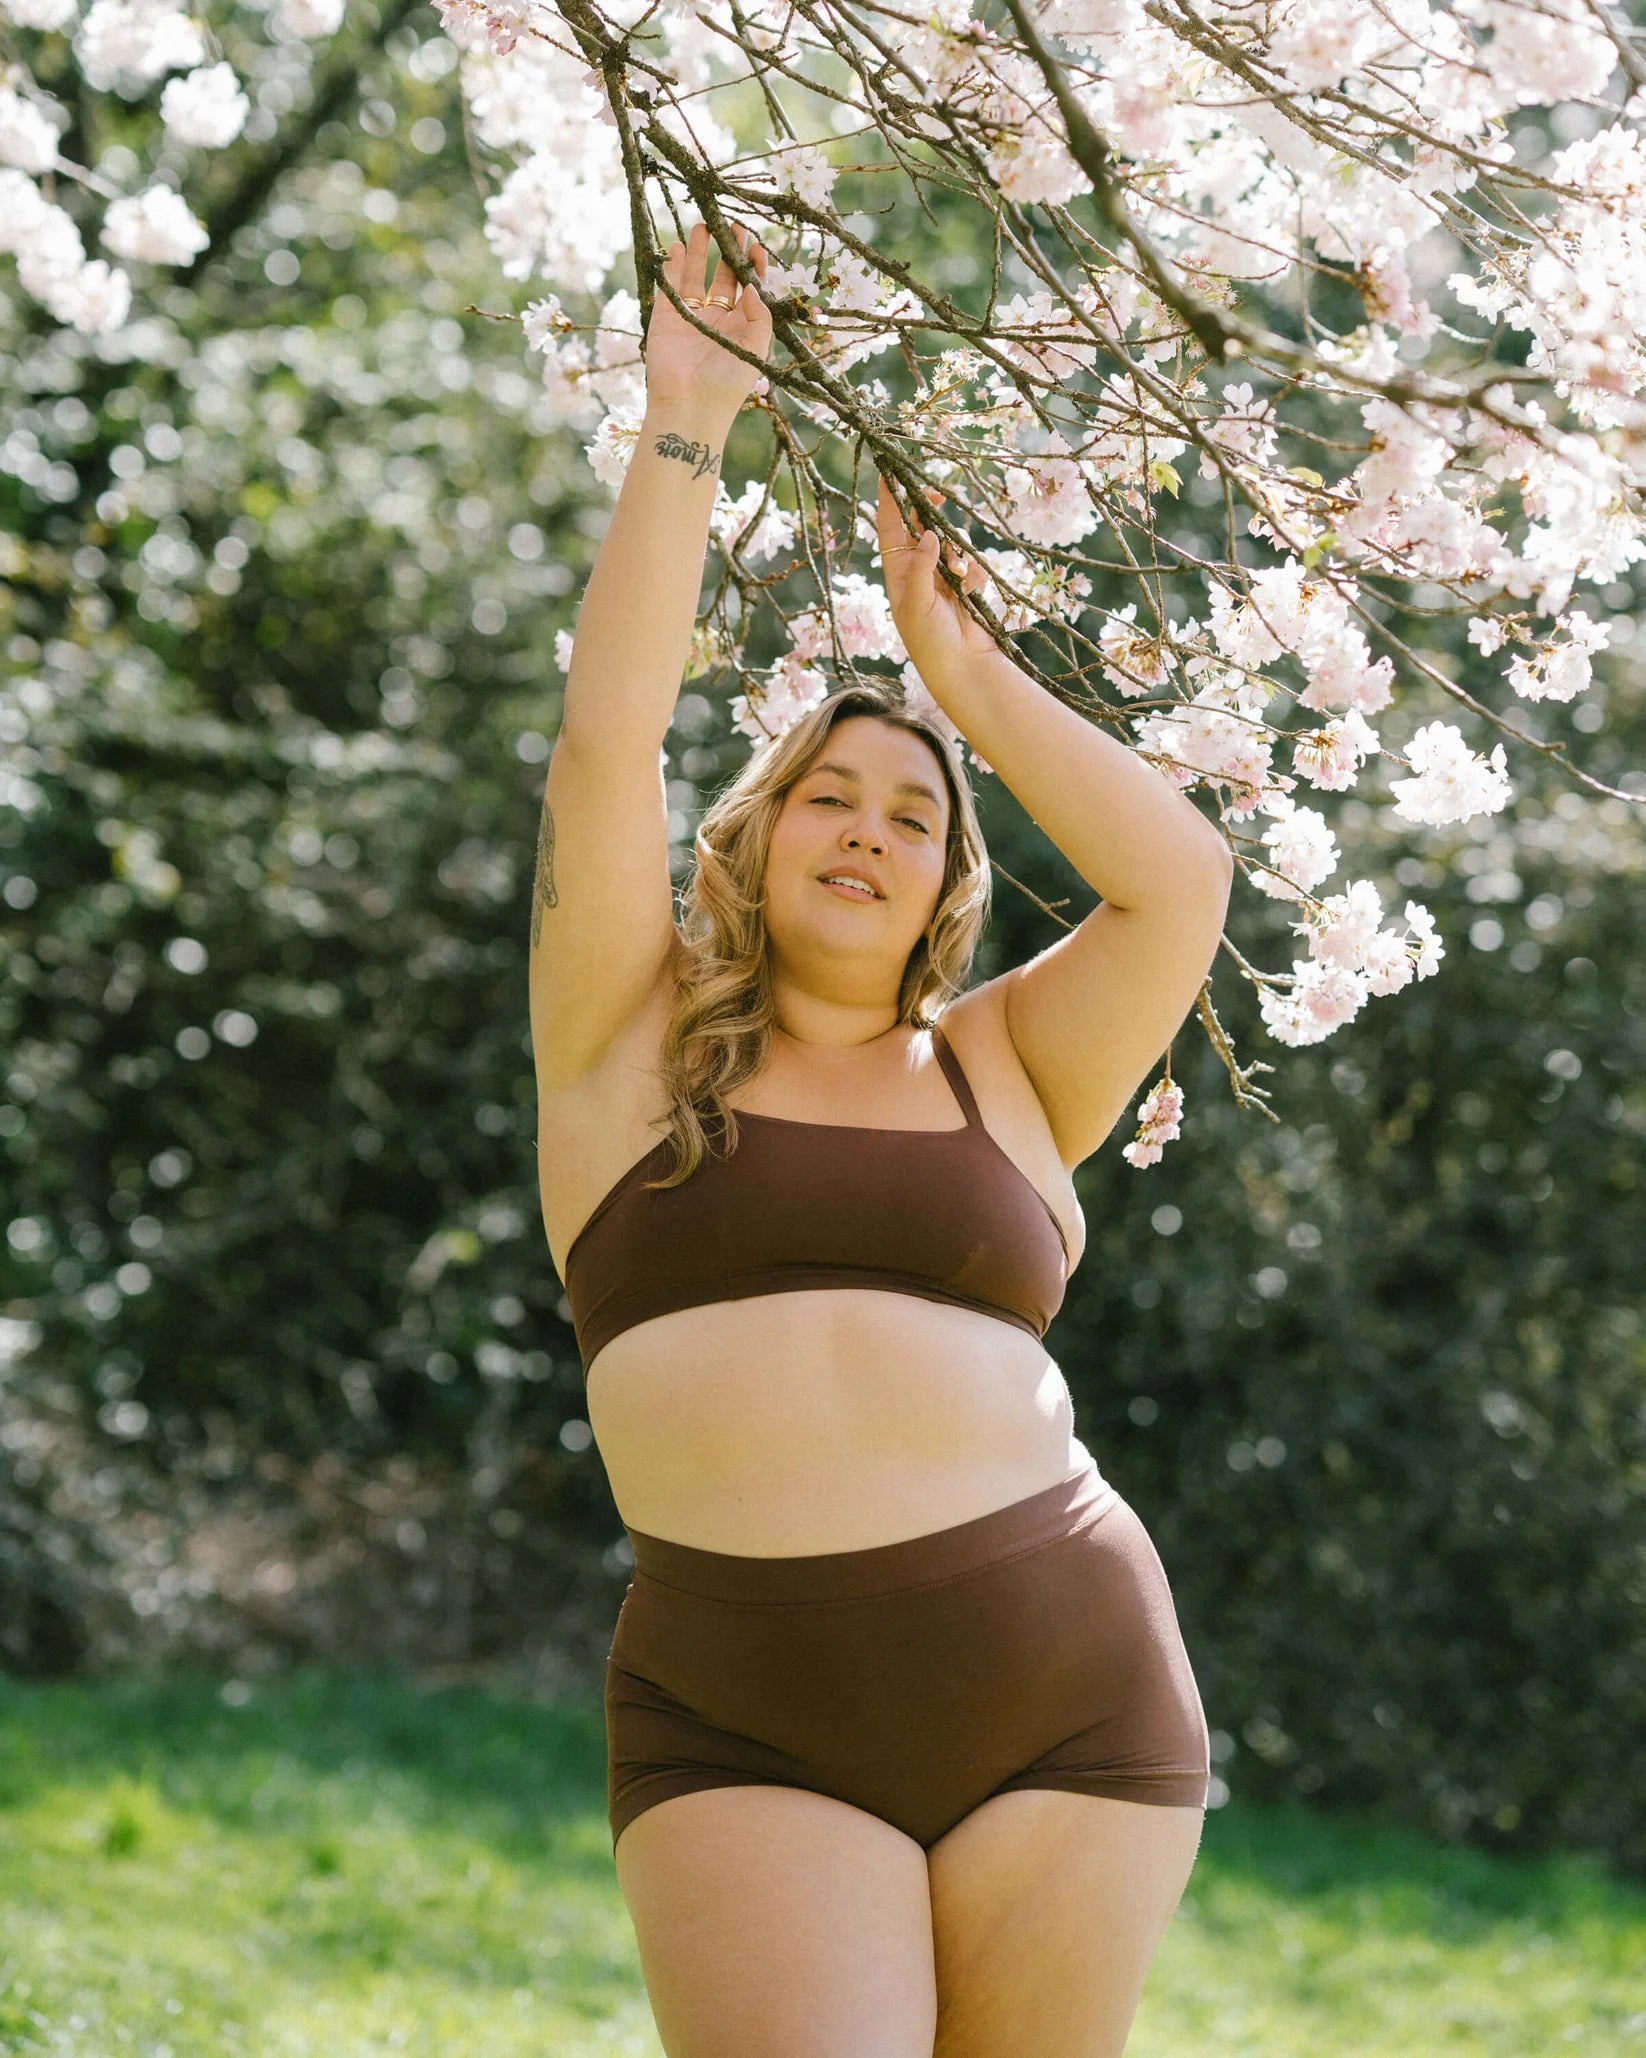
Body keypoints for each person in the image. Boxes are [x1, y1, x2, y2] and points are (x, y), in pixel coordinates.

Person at [530, 216, 1235, 2058]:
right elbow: (607, 749)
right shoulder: (620, 1038)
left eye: (910, 812)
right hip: (741, 1710)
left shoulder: (1006, 1062)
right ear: (750, 843)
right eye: (821, 792)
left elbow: (1180, 880)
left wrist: (957, 669)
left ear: (944, 882)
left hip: (1065, 1693)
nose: (863, 822)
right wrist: (687, 417)